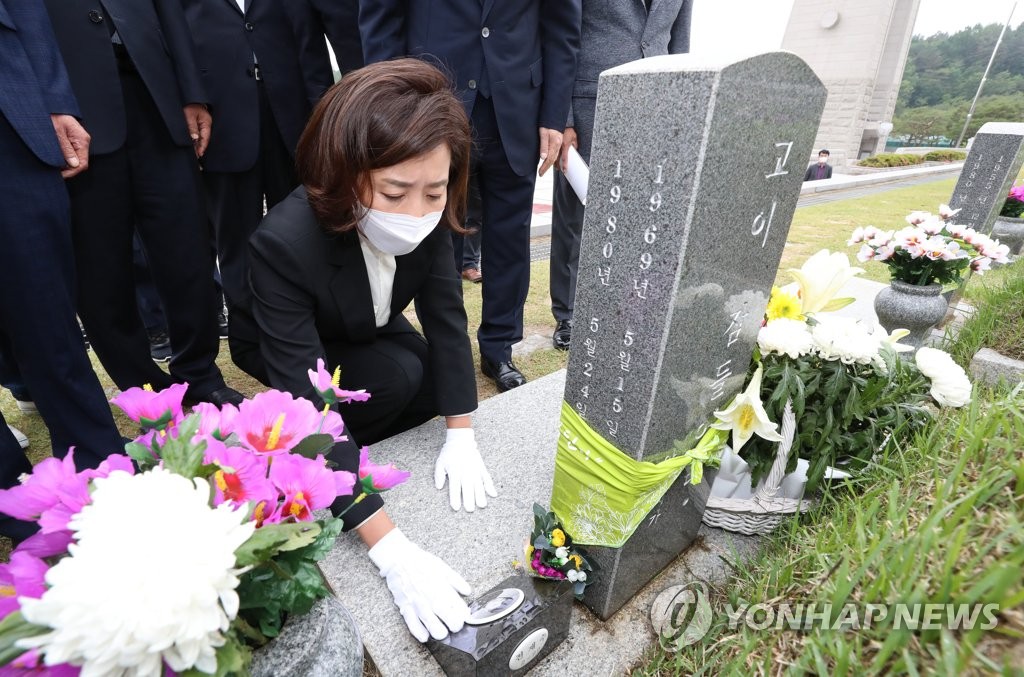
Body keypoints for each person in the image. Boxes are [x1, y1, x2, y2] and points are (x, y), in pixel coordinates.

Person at [239, 57, 493, 644]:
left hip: (367, 319)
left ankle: (371, 435)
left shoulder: (428, 218)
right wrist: (391, 550)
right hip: (302, 342)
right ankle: (349, 464)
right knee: (403, 375)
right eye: (395, 192)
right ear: (344, 173)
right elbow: (307, 406)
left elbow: (447, 319)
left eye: (435, 191)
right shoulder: (283, 243)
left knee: (433, 379)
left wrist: (461, 431)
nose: (416, 214)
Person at [360, 0, 582, 392]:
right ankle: (446, 350)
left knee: (510, 237)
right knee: (433, 237)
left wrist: (553, 116)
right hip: (430, 105)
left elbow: (562, 26)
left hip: (517, 108)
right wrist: (394, 104)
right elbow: (381, 20)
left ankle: (499, 349)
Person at [42, 0, 241, 406]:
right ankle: (145, 390)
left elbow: (168, 9)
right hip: (73, 110)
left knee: (187, 248)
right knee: (101, 272)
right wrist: (46, 103)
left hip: (157, 93)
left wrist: (192, 92)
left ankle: (201, 375)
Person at [0, 0, 125, 540]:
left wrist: (52, 97)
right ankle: (12, 501)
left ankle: (105, 473)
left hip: (9, 111)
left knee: (45, 308)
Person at [179, 0, 333, 372]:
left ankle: (315, 333)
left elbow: (310, 43)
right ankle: (250, 345)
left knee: (305, 234)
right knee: (236, 243)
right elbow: (178, 45)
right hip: (222, 126)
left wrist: (325, 113)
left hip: (294, 123)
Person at [550, 0, 693, 350]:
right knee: (575, 218)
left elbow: (680, 44)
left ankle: (623, 306)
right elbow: (562, 36)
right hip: (589, 104)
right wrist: (563, 118)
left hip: (656, 105)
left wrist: (681, 110)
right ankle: (567, 314)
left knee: (640, 215)